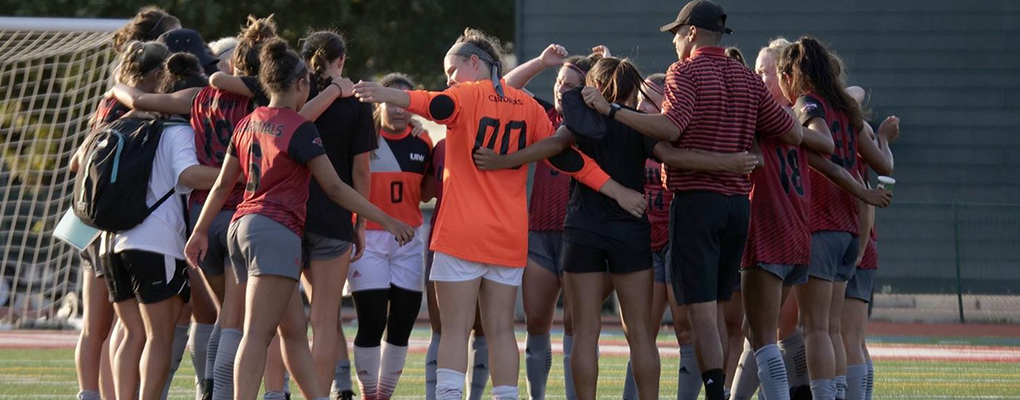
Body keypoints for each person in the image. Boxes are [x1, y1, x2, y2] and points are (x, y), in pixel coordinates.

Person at [353, 27, 643, 400]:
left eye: (452, 70)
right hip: (508, 236)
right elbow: (568, 157)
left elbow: (432, 104)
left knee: (456, 330)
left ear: (475, 63)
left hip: (461, 234)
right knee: (502, 330)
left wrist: (384, 93)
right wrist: (617, 190)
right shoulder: (528, 105)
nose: (449, 80)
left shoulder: (467, 94)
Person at [578, 2, 803, 399]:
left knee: (701, 313)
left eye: (677, 34)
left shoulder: (685, 71)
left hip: (698, 201)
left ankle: (714, 392)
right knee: (717, 310)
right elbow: (790, 131)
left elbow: (670, 127)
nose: (675, 42)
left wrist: (612, 110)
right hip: (738, 207)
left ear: (693, 33)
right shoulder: (748, 78)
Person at [184, 38, 413, 400]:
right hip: (274, 230)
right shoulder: (300, 128)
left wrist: (198, 231)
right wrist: (387, 219)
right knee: (258, 332)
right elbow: (337, 188)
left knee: (291, 329)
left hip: (240, 227)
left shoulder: (248, 123)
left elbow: (222, 185)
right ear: (301, 85)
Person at [110, 16, 294, 400]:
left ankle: (204, 390)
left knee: (206, 315)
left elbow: (144, 100)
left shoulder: (197, 98)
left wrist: (118, 85)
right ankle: (219, 393)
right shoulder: (259, 99)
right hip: (239, 210)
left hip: (198, 214)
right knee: (234, 319)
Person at [98, 40, 220, 400]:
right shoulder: (175, 131)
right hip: (155, 243)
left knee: (131, 333)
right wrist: (238, 174)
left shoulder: (124, 126)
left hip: (112, 244)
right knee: (159, 337)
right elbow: (189, 175)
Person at [776, 36, 893, 400]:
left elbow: (822, 140)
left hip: (819, 225)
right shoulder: (847, 108)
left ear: (790, 74)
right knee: (832, 329)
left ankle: (825, 395)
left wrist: (797, 135)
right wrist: (885, 141)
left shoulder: (807, 103)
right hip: (847, 230)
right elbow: (883, 164)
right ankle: (839, 394)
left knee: (814, 329)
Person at [502, 43, 602, 400]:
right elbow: (506, 87)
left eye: (570, 84)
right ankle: (537, 396)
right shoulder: (541, 114)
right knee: (536, 323)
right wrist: (542, 64)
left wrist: (602, 67)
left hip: (580, 236)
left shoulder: (595, 121)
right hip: (540, 235)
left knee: (578, 326)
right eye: (559, 82)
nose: (561, 88)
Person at [345, 73, 432, 400]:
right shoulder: (363, 137)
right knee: (371, 320)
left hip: (409, 240)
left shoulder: (423, 142)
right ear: (378, 102)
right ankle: (369, 394)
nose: (398, 109)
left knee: (402, 325)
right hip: (368, 237)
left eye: (403, 103)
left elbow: (424, 193)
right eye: (390, 101)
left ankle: (384, 395)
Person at [844, 115, 897, 400]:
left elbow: (866, 204)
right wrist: (883, 139)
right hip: (858, 245)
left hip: (854, 247)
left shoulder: (849, 148)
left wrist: (861, 250)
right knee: (854, 341)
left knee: (848, 339)